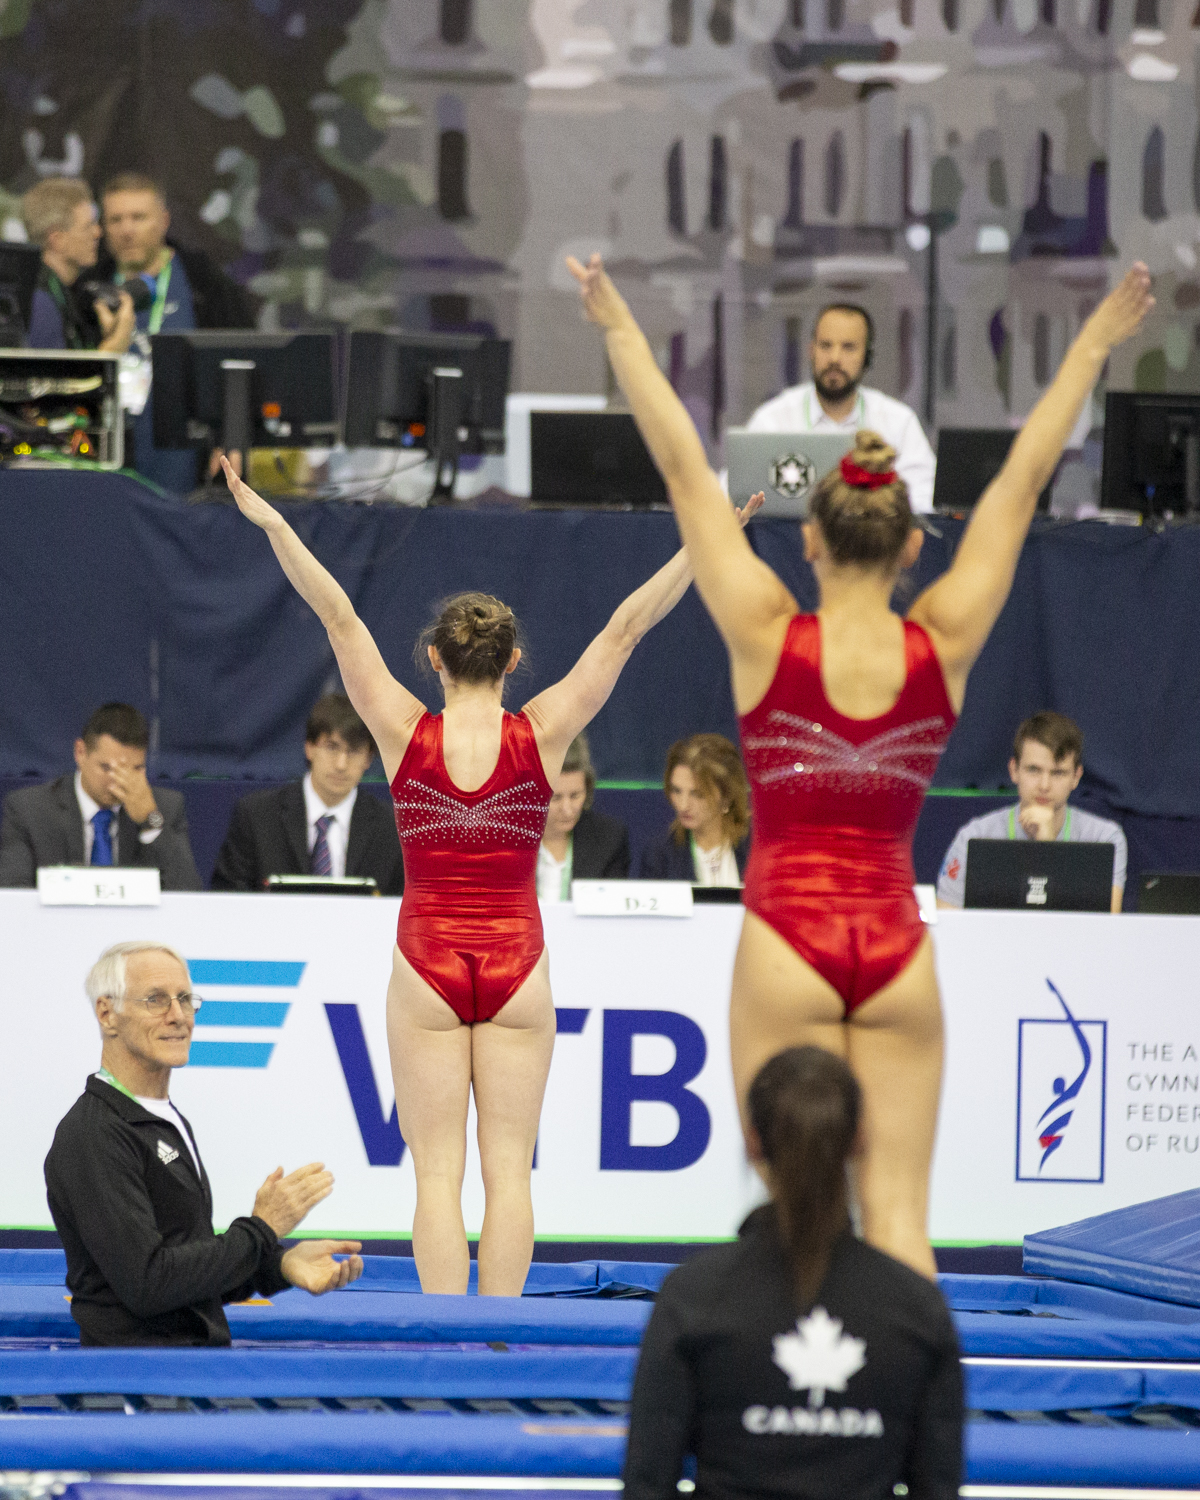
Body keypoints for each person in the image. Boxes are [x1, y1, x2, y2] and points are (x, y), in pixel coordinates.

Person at [569, 250, 1153, 1275]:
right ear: (913, 549)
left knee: (794, 1222)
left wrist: (619, 326)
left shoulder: (764, 632)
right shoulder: (944, 639)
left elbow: (684, 470)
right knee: (899, 1224)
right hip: (894, 944)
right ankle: (911, 1429)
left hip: (786, 935)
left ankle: (795, 1415)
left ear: (810, 546)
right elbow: (1019, 487)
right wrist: (1097, 342)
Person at [217, 455, 759, 1296]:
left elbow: (336, 613)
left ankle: (446, 1348)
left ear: (434, 658)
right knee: (511, 1174)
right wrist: (710, 539)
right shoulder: (541, 733)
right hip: (517, 963)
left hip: (426, 961)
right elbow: (625, 629)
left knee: (435, 1177)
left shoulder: (401, 730)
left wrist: (272, 521)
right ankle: (503, 1344)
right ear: (513, 664)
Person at [624, 1046, 962, 1500]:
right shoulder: (917, 1308)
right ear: (859, 1140)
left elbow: (648, 1482)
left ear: (752, 1141)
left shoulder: (694, 1297)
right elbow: (937, 1487)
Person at [45, 940, 364, 1346]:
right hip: (137, 1388)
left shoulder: (162, 1119)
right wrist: (262, 1229)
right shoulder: (94, 1134)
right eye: (156, 1000)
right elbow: (149, 1284)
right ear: (108, 1014)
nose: (178, 1016)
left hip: (179, 1377)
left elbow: (188, 1278)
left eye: (185, 999)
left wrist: (278, 1264)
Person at [96, 172, 257, 494]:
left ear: (164, 221)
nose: (127, 230)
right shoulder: (89, 289)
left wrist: (233, 439)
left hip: (189, 461)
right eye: (116, 219)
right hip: (110, 459)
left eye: (138, 217)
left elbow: (245, 363)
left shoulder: (204, 283)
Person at [745, 303, 936, 514]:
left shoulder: (899, 422)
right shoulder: (772, 420)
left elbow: (923, 500)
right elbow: (736, 491)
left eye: (848, 347)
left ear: (867, 356)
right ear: (811, 350)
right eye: (825, 345)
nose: (835, 358)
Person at [211, 693, 404, 894]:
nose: (341, 764)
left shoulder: (392, 828)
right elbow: (228, 896)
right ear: (309, 748)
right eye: (331, 747)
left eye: (354, 751)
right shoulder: (257, 816)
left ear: (368, 759)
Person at [937, 710, 1126, 913]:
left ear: (1076, 777)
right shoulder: (974, 836)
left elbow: (1106, 927)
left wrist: (1047, 845)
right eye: (1034, 770)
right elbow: (948, 920)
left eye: (1058, 773)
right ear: (1014, 770)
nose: (1044, 785)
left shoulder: (1105, 838)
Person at [0, 702, 201, 890]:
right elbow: (13, 897)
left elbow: (189, 896)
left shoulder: (165, 807)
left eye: (136, 769)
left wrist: (151, 821)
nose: (119, 782)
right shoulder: (30, 810)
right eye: (107, 768)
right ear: (80, 752)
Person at [21, 177, 134, 353]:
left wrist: (107, 339)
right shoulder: (40, 302)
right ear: (57, 240)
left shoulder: (61, 290)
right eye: (87, 226)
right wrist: (112, 350)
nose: (98, 232)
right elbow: (53, 378)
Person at [639, 733, 750, 885]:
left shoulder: (758, 849)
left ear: (727, 795)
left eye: (697, 794)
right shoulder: (659, 856)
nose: (683, 805)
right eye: (677, 791)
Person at [537, 731, 629, 899]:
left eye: (575, 796)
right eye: (555, 798)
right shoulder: (504, 840)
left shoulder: (609, 839)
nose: (567, 809)